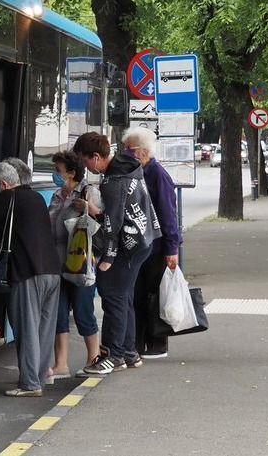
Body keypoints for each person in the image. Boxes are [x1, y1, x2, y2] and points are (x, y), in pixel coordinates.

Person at [72, 132, 160, 375]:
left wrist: (108, 258)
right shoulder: (128, 169)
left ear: (97, 156)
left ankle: (114, 355)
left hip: (127, 246)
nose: (86, 167)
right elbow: (120, 212)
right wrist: (98, 212)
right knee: (124, 296)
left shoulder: (113, 181)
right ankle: (129, 352)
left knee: (113, 296)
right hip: (142, 241)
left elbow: (113, 223)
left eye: (86, 161)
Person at [0, 161, 61, 396]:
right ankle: (40, 376)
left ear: (4, 184)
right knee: (44, 329)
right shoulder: (36, 198)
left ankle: (29, 384)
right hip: (52, 271)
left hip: (28, 272)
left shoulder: (8, 198)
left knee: (26, 328)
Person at [121, 127, 184, 360]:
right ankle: (138, 344)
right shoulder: (140, 172)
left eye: (129, 149)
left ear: (142, 152)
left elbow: (169, 214)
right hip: (144, 245)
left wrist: (172, 248)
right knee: (139, 295)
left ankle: (157, 343)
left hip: (157, 247)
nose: (126, 152)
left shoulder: (157, 174)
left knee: (154, 295)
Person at [47, 150, 102, 378]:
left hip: (80, 262)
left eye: (58, 170)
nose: (55, 175)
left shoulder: (89, 192)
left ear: (71, 173)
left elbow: (103, 221)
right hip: (57, 262)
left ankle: (94, 358)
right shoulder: (57, 196)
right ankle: (61, 364)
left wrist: (89, 209)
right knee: (58, 314)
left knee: (83, 311)